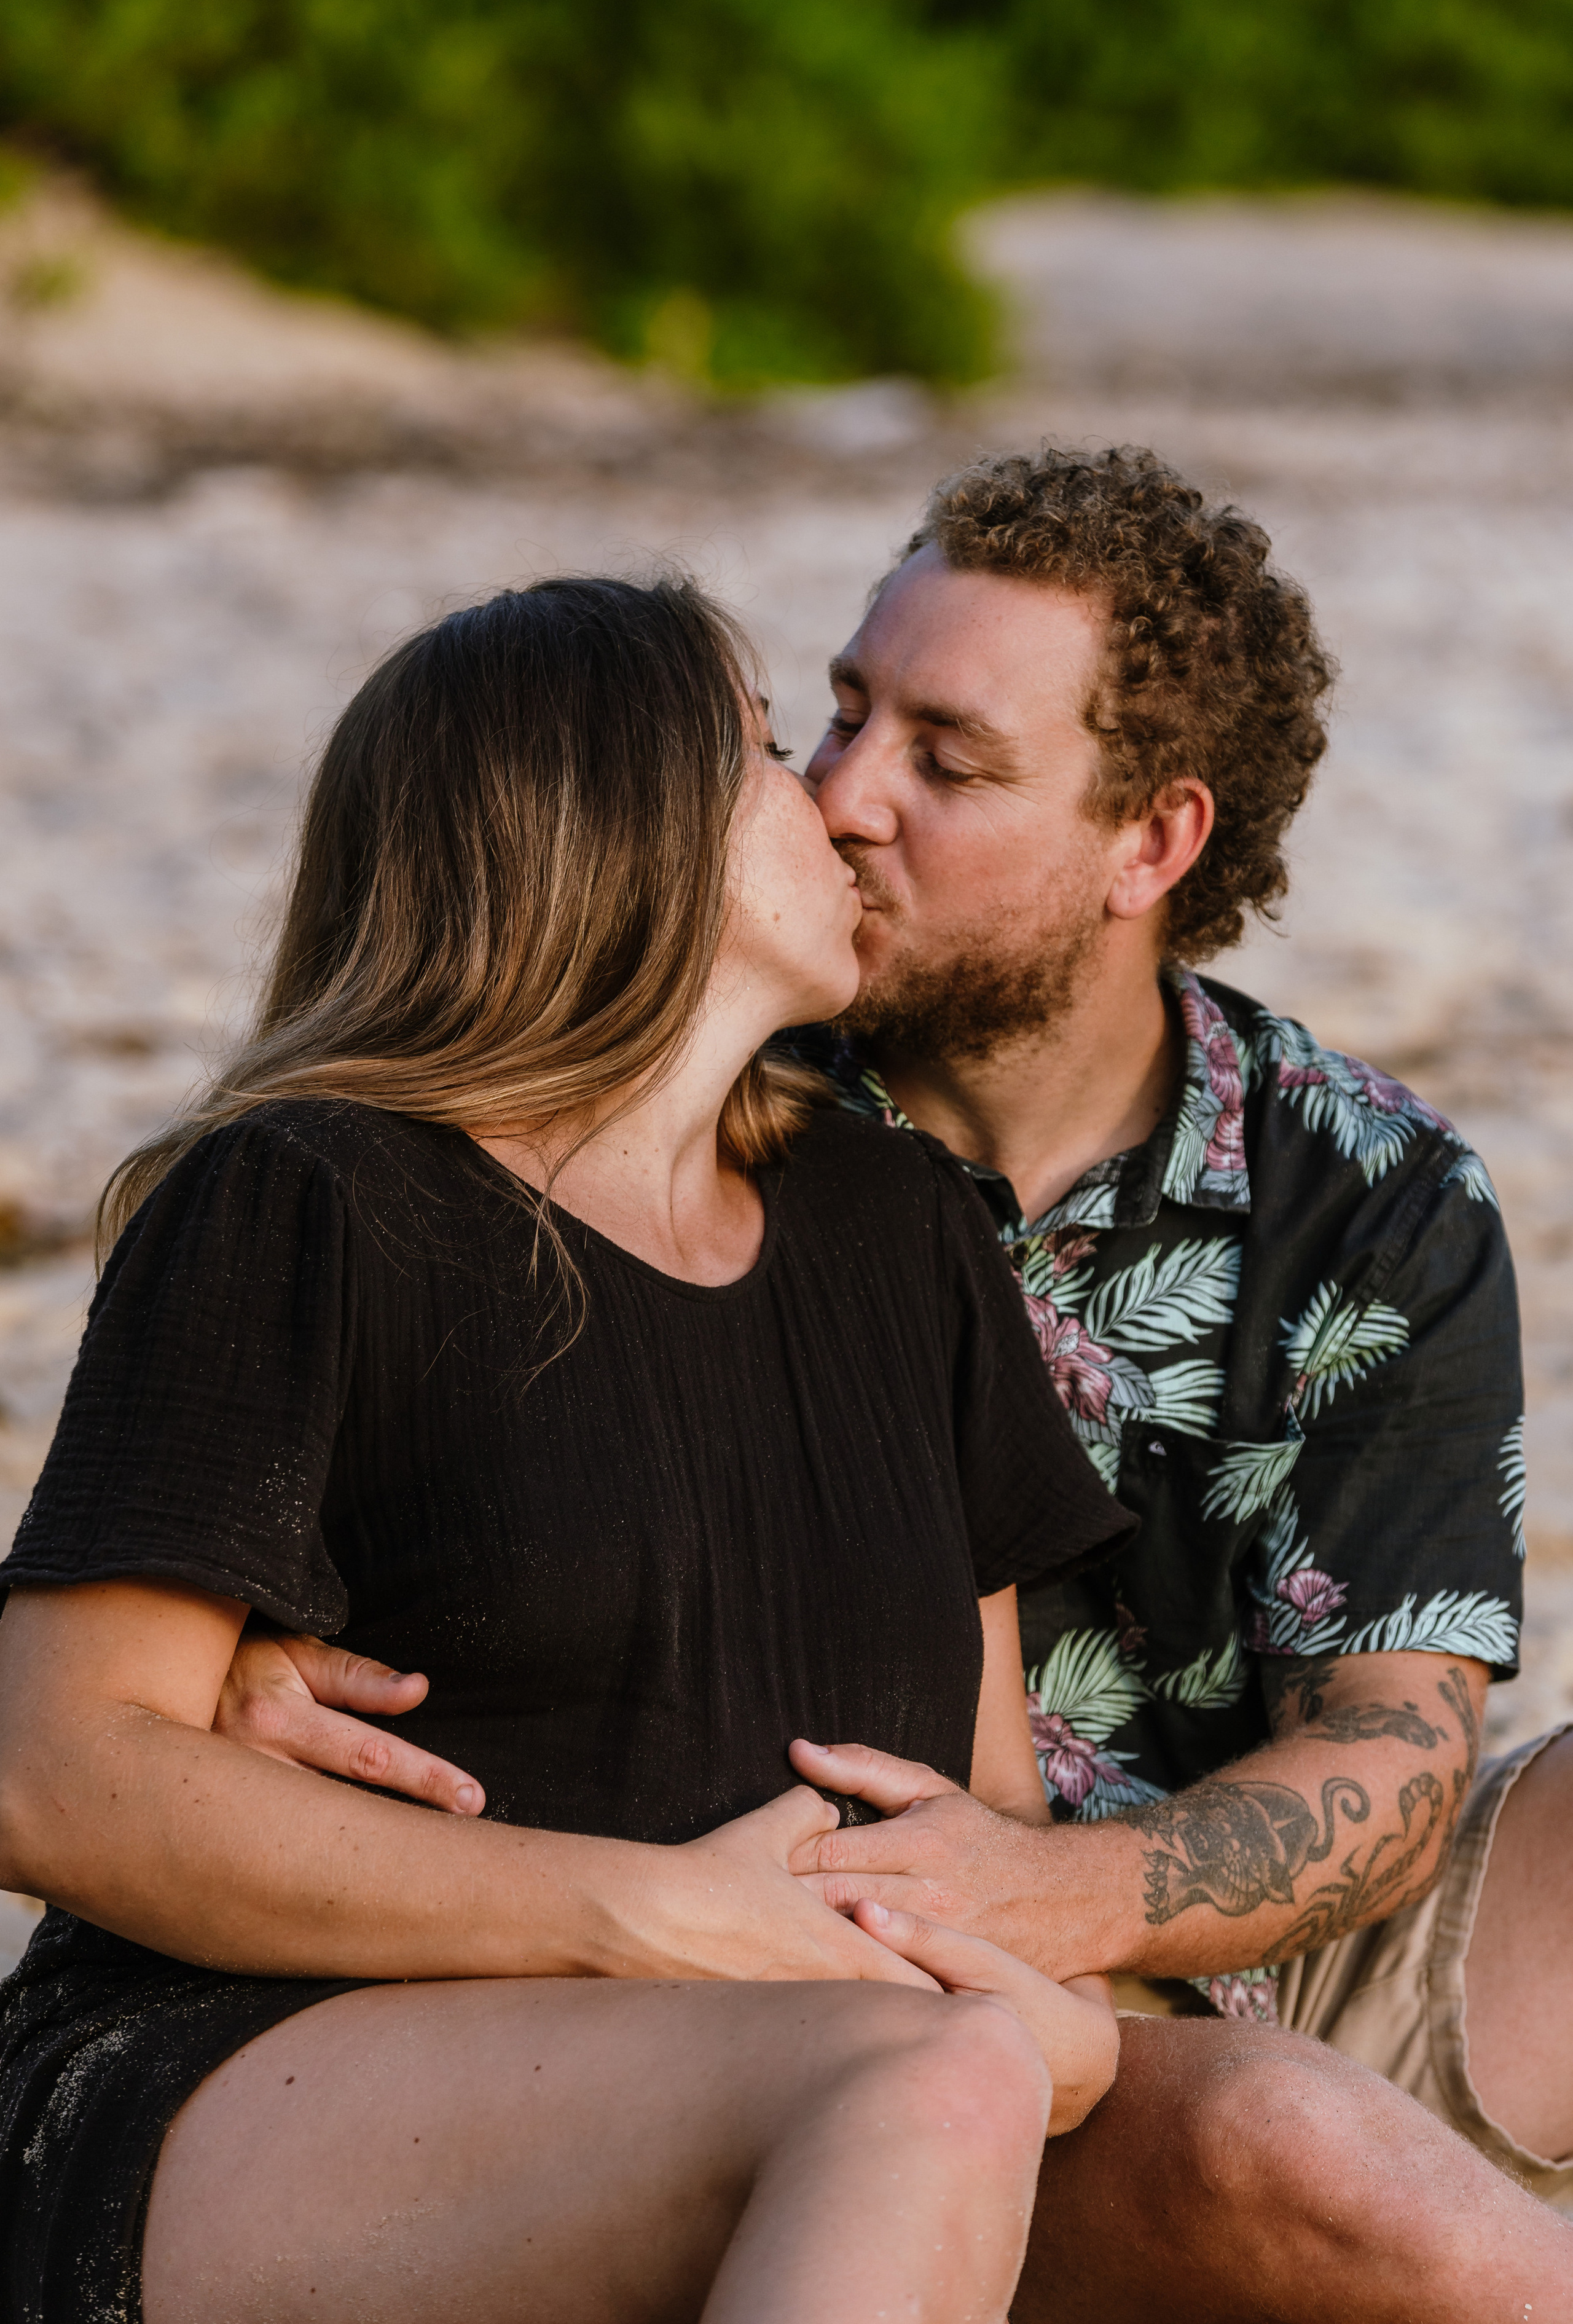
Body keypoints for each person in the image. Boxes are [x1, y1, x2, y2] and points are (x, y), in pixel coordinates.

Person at [233, 454, 1573, 2320]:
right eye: (844, 709)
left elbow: (1399, 1748)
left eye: (949, 759)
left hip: (1219, 1931)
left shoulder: (1365, 1190)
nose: (843, 795)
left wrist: (1048, 1890)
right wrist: (237, 1642)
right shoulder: (707, 1076)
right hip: (849, 1981)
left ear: (1151, 844)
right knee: (1208, 2132)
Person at [0, 574, 1132, 2324]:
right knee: (929, 2084)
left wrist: (1046, 2014)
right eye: (768, 752)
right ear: (612, 822)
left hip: (822, 2060)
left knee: (1235, 2134)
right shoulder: (309, 1193)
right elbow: (55, 1772)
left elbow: (985, 1809)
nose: (838, 806)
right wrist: (654, 1918)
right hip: (266, 2069)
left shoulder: (901, 1226)